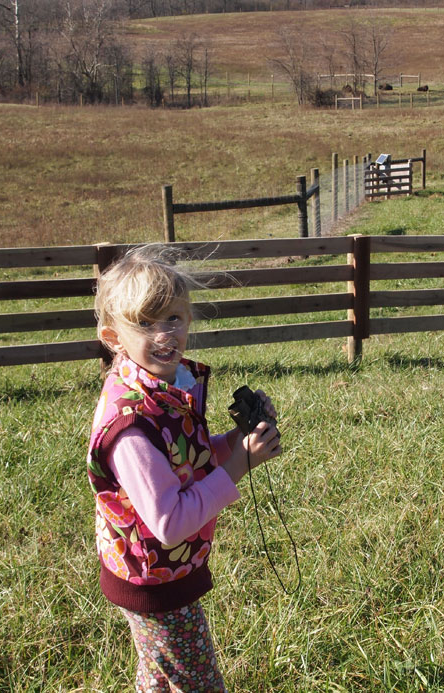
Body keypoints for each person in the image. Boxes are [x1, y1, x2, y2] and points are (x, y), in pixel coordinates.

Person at [87, 243, 282, 692]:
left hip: (160, 571)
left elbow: (184, 461)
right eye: (145, 323)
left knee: (161, 677)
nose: (164, 334)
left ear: (189, 318)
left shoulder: (166, 388)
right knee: (197, 682)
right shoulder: (132, 426)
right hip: (153, 580)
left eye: (173, 318)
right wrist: (237, 466)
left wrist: (236, 442)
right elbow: (170, 522)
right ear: (113, 337)